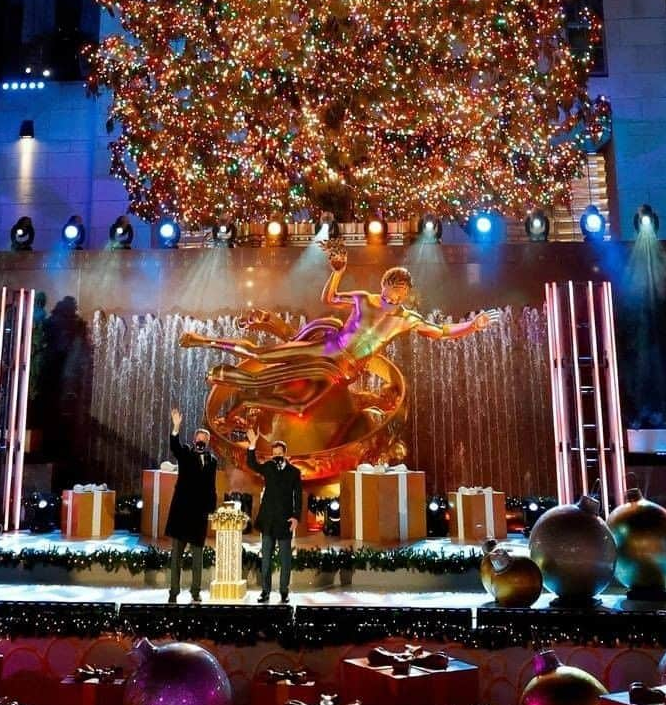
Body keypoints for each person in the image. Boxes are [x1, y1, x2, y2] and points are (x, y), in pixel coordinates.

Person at [182, 248, 494, 420]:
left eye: (400, 292)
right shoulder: (363, 298)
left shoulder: (406, 319)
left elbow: (440, 331)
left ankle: (248, 401)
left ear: (406, 294)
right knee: (262, 356)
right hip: (327, 351)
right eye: (391, 289)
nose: (394, 296)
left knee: (301, 408)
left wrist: (471, 326)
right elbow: (330, 300)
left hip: (345, 372)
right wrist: (337, 272)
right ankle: (203, 341)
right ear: (383, 285)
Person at [164, 407, 217, 604]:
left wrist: (211, 509)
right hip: (182, 513)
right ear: (194, 440)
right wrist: (176, 427)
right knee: (176, 556)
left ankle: (195, 591)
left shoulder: (212, 461)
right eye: (199, 438)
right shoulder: (185, 453)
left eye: (205, 439)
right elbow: (175, 446)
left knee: (197, 558)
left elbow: (211, 486)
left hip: (199, 516)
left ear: (208, 442)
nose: (201, 441)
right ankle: (173, 592)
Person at [245, 427, 302, 603]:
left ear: (285, 454)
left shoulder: (294, 472)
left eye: (279, 453)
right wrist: (252, 445)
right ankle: (265, 591)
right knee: (266, 559)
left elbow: (298, 496)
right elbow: (252, 464)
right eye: (274, 453)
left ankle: (284, 591)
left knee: (285, 559)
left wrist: (296, 517)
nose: (276, 455)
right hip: (268, 520)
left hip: (285, 521)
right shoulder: (268, 467)